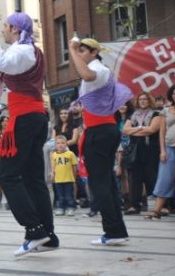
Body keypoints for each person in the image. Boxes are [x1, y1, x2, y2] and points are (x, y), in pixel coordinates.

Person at [0, 13, 56, 256]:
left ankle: (35, 230)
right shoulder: (30, 50)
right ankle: (48, 235)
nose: (2, 30)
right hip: (32, 115)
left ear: (14, 28)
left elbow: (1, 62)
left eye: (5, 27)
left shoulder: (22, 50)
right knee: (33, 178)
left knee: (9, 175)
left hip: (24, 117)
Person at [69, 37, 133, 245]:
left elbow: (86, 75)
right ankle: (116, 230)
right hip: (102, 130)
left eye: (83, 50)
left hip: (100, 131)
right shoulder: (99, 70)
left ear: (94, 52)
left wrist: (71, 49)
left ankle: (113, 232)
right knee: (106, 183)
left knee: (100, 183)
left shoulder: (98, 69)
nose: (79, 54)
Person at [122, 92, 162, 215]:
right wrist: (142, 128)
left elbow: (152, 130)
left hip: (151, 150)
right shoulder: (132, 115)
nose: (143, 101)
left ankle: (163, 205)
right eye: (140, 99)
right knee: (134, 178)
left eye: (145, 99)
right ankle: (135, 205)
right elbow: (125, 130)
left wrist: (135, 130)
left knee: (153, 177)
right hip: (136, 150)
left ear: (149, 100)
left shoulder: (156, 114)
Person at [147, 84, 175, 220]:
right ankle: (156, 211)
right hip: (169, 148)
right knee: (165, 178)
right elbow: (162, 132)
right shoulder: (165, 111)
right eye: (174, 94)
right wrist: (162, 151)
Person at [50, 135, 78, 216]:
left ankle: (70, 207)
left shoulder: (70, 154)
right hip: (58, 179)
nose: (60, 145)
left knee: (69, 195)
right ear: (55, 145)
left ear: (66, 144)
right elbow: (53, 166)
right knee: (60, 195)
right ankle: (61, 208)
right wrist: (52, 173)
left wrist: (74, 176)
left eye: (63, 143)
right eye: (58, 143)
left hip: (68, 179)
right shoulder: (54, 155)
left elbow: (74, 166)